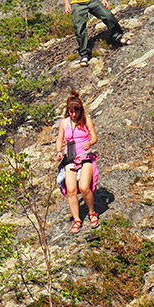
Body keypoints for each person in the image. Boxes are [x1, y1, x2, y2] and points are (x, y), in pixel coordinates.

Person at [56, 90, 100, 232]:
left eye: (76, 112)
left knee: (84, 187)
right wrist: (58, 151)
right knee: (71, 190)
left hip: (85, 157)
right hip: (70, 159)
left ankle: (92, 212)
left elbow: (94, 136)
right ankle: (77, 219)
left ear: (80, 110)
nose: (73, 115)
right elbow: (59, 138)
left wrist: (90, 143)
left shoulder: (87, 120)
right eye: (71, 112)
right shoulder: (64, 123)